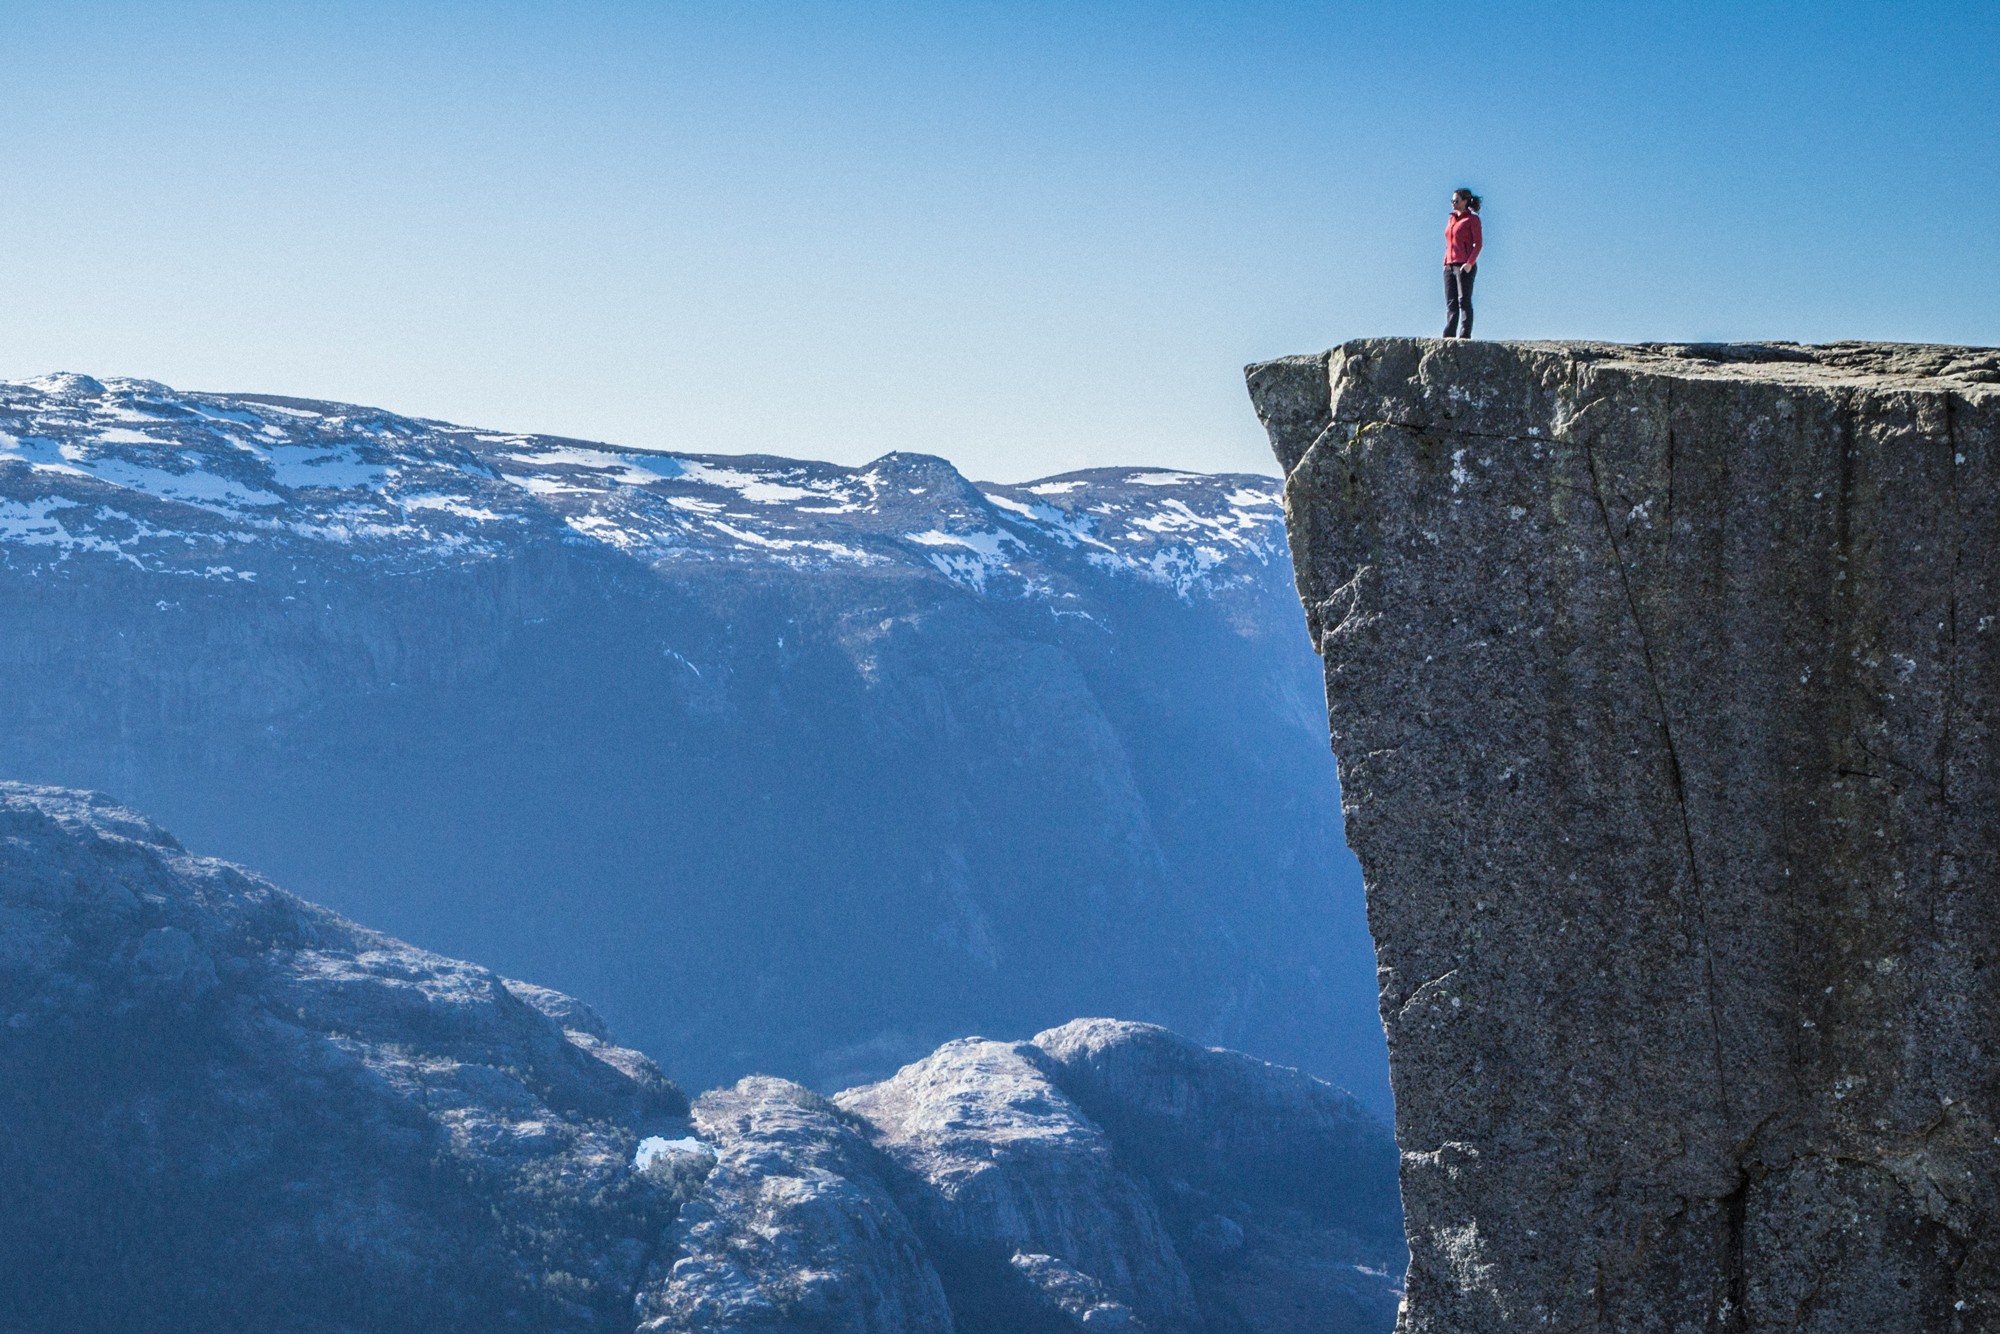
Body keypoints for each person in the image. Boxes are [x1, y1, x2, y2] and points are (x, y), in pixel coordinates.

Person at [1443, 189, 1483, 338]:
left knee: (1464, 301)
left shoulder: (1472, 219)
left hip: (1464, 265)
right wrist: (1446, 263)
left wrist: (1469, 263)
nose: (1453, 203)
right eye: (1452, 201)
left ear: (1465, 201)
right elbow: (1449, 242)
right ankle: (1449, 335)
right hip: (1449, 265)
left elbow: (1478, 244)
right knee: (1451, 302)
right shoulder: (1451, 219)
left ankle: (1465, 335)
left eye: (1456, 200)